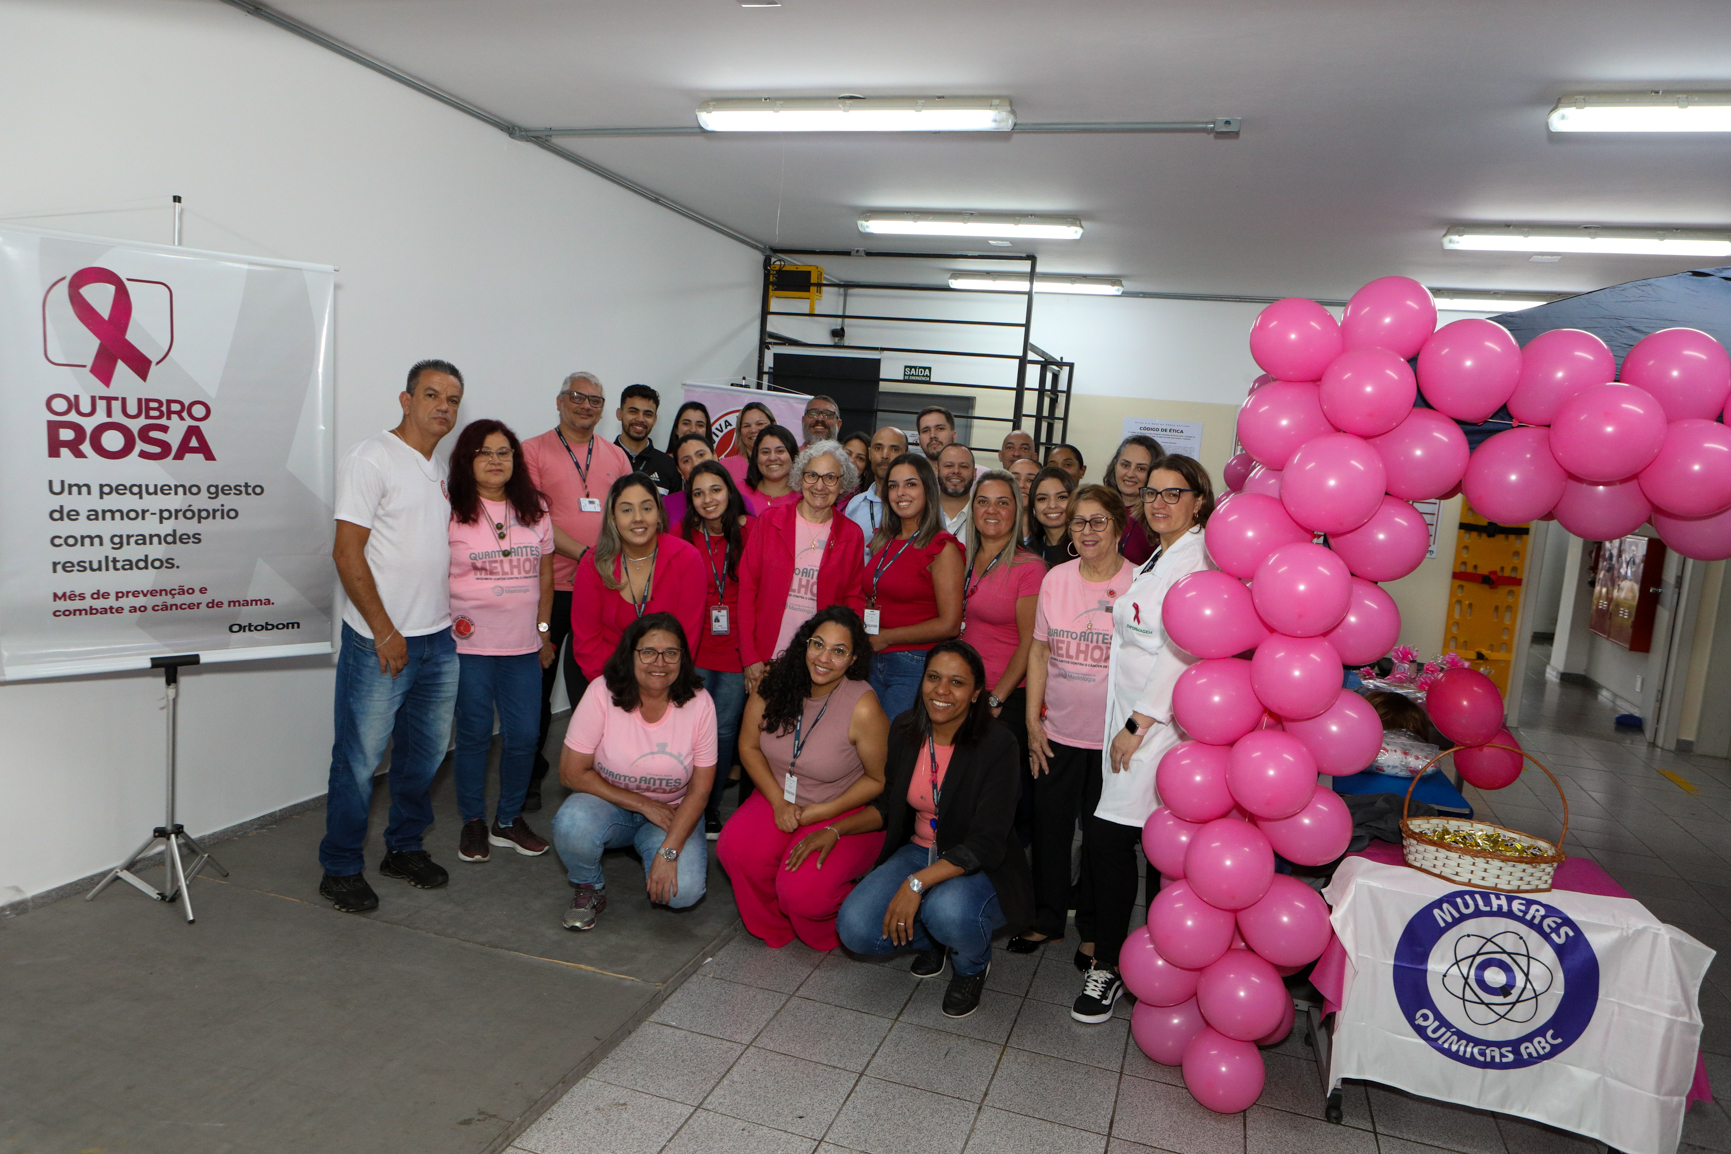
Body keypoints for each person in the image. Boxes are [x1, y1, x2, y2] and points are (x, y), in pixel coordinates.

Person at [319, 359, 465, 913]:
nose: (442, 407)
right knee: (358, 763)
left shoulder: (440, 469)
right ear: (405, 400)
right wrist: (384, 632)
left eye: (452, 399)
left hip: (437, 642)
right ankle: (339, 867)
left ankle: (402, 848)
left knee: (422, 760)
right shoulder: (371, 457)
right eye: (431, 395)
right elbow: (345, 551)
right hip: (380, 643)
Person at [1076, 456, 1215, 1023]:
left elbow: (1182, 652)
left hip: (1158, 729)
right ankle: (1135, 961)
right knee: (1136, 843)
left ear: (1198, 500)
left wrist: (1139, 723)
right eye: (1151, 493)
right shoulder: (1161, 552)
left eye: (1173, 493)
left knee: (1124, 844)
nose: (1158, 502)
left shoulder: (1198, 562)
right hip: (1130, 720)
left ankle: (1119, 965)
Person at [836, 641, 1033, 1019]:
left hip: (979, 863)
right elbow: (888, 803)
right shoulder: (906, 729)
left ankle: (971, 966)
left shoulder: (999, 744)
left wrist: (916, 884)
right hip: (919, 847)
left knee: (948, 909)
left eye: (957, 682)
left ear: (977, 693)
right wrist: (835, 830)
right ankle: (935, 939)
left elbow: (986, 843)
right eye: (933, 678)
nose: (942, 690)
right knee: (854, 928)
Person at [719, 607, 889, 950]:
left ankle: (838, 922)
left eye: (839, 651)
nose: (824, 658)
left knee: (802, 892)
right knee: (735, 850)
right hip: (777, 796)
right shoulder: (773, 682)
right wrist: (779, 801)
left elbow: (878, 780)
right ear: (804, 644)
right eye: (818, 644)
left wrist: (820, 814)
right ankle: (776, 928)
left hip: (840, 808)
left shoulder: (863, 705)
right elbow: (749, 747)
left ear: (853, 658)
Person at [1019, 485, 1134, 960]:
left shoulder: (1138, 584)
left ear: (1119, 527)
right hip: (1056, 732)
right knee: (1049, 829)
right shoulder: (1056, 579)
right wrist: (1032, 723)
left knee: (1102, 841)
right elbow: (1041, 650)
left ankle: (1092, 929)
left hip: (1112, 741)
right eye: (1078, 522)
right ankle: (1047, 919)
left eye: (1098, 521)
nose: (1087, 531)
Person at [551, 614, 715, 929]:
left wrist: (668, 852)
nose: (660, 662)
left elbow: (700, 789)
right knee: (572, 823)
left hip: (672, 812)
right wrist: (643, 804)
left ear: (683, 658)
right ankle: (590, 886)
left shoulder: (700, 703)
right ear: (631, 653)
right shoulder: (602, 692)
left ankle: (652, 847)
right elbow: (570, 773)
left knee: (683, 893)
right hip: (609, 805)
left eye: (671, 653)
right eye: (648, 651)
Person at [521, 371, 633, 811]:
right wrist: (589, 554)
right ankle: (528, 775)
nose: (587, 406)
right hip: (548, 592)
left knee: (598, 684)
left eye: (596, 401)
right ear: (559, 400)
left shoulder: (616, 457)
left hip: (602, 590)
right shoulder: (533, 450)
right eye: (578, 397)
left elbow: (629, 514)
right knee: (538, 683)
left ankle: (600, 772)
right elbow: (534, 518)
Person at [446, 419, 555, 865]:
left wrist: (545, 633)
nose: (495, 461)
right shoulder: (449, 509)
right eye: (484, 452)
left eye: (504, 452)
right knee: (472, 737)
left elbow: (546, 576)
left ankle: (507, 820)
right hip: (468, 647)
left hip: (523, 648)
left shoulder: (536, 509)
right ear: (467, 460)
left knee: (525, 736)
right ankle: (473, 820)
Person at [738, 440, 866, 695]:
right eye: (812, 475)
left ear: (842, 484)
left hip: (821, 663)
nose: (819, 485)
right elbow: (747, 590)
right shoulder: (770, 521)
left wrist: (844, 654)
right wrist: (750, 657)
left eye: (830, 477)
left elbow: (854, 600)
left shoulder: (852, 534)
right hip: (766, 656)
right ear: (800, 477)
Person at [958, 470, 1044, 841]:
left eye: (1002, 502)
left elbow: (1031, 643)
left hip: (1003, 698)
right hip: (962, 693)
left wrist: (996, 698)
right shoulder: (961, 558)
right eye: (983, 501)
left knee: (997, 804)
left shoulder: (1030, 568)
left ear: (1017, 509)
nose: (991, 510)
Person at [677, 459, 756, 836]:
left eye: (715, 489)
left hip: (738, 650)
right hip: (695, 648)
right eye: (698, 493)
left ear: (729, 491)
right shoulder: (685, 534)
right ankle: (681, 798)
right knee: (688, 730)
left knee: (724, 731)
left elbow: (762, 594)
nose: (708, 499)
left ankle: (708, 807)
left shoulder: (752, 531)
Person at [571, 472, 706, 682]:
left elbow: (687, 638)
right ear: (613, 518)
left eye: (646, 508)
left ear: (659, 514)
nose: (638, 518)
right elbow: (587, 639)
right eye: (626, 510)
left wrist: (660, 682)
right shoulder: (592, 563)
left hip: (667, 676)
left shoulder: (687, 558)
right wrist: (613, 687)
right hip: (605, 676)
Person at [864, 453, 964, 719]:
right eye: (893, 486)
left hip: (913, 665)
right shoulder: (883, 540)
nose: (900, 493)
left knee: (894, 749)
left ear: (928, 490)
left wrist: (887, 636)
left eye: (910, 484)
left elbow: (950, 624)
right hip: (872, 660)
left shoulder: (942, 547)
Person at [1105, 434, 1164, 564]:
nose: (1130, 474)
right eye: (1125, 465)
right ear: (1115, 465)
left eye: (1141, 468)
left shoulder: (1159, 515)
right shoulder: (1100, 507)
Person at [844, 425, 908, 542]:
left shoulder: (919, 504)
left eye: (894, 449)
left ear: (906, 454)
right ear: (870, 453)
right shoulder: (855, 505)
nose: (885, 455)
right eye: (878, 448)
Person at [614, 384, 681, 494]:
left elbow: (674, 511)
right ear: (619, 414)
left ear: (654, 420)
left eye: (647, 414)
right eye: (633, 411)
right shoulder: (602, 458)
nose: (640, 419)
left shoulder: (669, 466)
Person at [664, 432, 726, 528]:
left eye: (701, 455)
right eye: (686, 461)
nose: (695, 464)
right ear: (679, 470)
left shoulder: (738, 500)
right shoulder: (666, 504)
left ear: (715, 457)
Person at [1025, 466, 1078, 566]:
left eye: (1061, 497)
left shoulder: (1085, 546)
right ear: (1033, 508)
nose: (1052, 505)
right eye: (1043, 499)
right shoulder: (1027, 553)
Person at [722, 400, 775, 489]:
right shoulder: (725, 466)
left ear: (774, 425)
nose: (753, 430)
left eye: (760, 424)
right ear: (739, 432)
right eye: (746, 426)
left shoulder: (784, 464)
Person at [745, 424, 800, 508]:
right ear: (756, 457)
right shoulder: (738, 492)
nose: (772, 458)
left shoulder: (803, 500)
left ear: (793, 456)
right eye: (765, 452)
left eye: (780, 451)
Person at [935, 443, 977, 538]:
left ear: (974, 474)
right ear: (936, 471)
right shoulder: (921, 514)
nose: (956, 471)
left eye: (964, 466)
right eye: (949, 465)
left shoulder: (983, 516)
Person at [839, 432, 872, 502]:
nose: (851, 460)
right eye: (848, 453)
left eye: (860, 458)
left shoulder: (866, 500)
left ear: (866, 468)